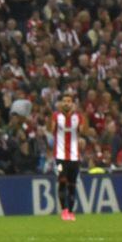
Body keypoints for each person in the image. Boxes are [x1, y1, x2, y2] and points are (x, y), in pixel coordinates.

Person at [46, 92, 87, 221]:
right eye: (64, 101)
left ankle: (70, 212)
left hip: (75, 157)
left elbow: (83, 131)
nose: (66, 103)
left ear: (72, 104)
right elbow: (50, 129)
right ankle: (64, 211)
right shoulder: (55, 116)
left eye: (69, 101)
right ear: (60, 104)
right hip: (59, 157)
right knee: (62, 181)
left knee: (72, 185)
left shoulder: (78, 117)